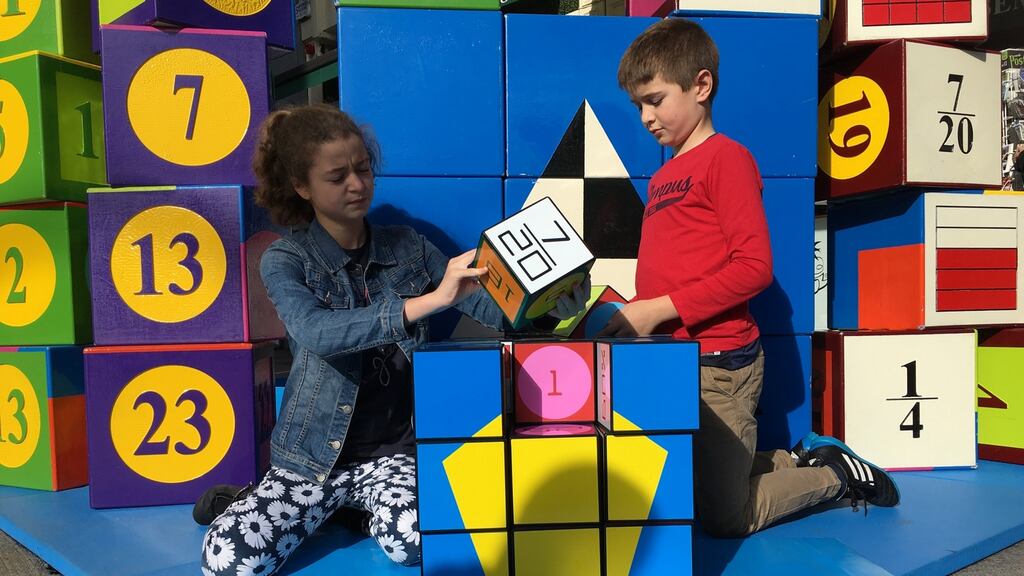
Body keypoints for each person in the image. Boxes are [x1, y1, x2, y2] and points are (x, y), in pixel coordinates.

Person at [196, 104, 585, 575]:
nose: (357, 184)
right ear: (302, 187)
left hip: (393, 456)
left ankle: (349, 510)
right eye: (337, 176)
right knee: (227, 561)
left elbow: (492, 310)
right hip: (311, 458)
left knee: (418, 542)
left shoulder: (409, 247)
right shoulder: (285, 258)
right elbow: (317, 333)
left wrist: (549, 307)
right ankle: (257, 501)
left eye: (362, 169)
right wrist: (426, 302)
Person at [600, 18, 899, 538]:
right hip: (672, 361)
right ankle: (794, 459)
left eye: (654, 99)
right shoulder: (665, 175)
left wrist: (654, 309)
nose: (646, 117)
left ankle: (834, 475)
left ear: (701, 86)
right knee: (684, 495)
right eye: (638, 106)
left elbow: (754, 268)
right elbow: (677, 267)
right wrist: (627, 309)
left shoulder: (728, 159)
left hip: (719, 364)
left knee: (726, 516)